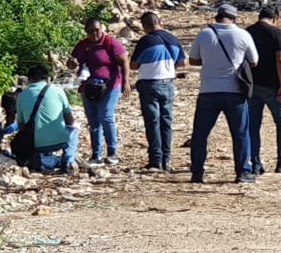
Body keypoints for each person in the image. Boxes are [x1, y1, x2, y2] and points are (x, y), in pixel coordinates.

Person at [188, 3, 259, 184]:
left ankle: (197, 172)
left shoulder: (204, 34)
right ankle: (242, 172)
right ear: (234, 18)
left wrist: (209, 61)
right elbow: (254, 61)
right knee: (240, 133)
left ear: (217, 16)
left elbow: (193, 60)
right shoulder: (243, 35)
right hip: (234, 91)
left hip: (208, 90)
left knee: (200, 134)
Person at [68, 17, 131, 166]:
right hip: (89, 86)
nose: (94, 34)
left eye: (96, 30)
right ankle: (96, 154)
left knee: (106, 116)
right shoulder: (83, 45)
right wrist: (72, 63)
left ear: (101, 28)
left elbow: (124, 61)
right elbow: (72, 63)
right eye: (90, 31)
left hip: (110, 85)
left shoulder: (110, 42)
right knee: (93, 121)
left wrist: (126, 82)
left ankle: (112, 152)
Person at [130, 11, 187, 171]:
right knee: (166, 122)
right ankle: (166, 159)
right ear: (159, 21)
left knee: (152, 122)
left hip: (149, 84)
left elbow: (133, 65)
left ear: (144, 25)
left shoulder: (145, 40)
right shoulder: (173, 39)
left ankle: (156, 160)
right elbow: (182, 63)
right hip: (168, 84)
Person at [247, 6, 281, 175]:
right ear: (275, 19)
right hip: (272, 86)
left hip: (252, 85)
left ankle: (254, 163)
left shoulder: (247, 32)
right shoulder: (276, 33)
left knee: (252, 126)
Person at [15, 64, 79, 173]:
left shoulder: (22, 95)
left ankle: (42, 161)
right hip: (59, 141)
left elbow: (21, 125)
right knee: (74, 129)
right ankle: (68, 161)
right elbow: (70, 120)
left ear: (29, 80)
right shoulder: (58, 91)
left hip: (35, 144)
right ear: (47, 79)